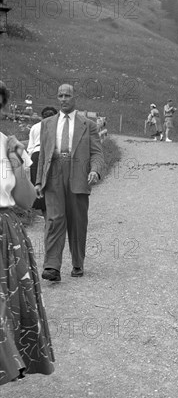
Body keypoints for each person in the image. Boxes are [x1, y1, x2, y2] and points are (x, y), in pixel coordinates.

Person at [0, 81, 55, 398]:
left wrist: (16, 161)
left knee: (6, 314)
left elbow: (24, 200)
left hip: (6, 235)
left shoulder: (5, 144)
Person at [36, 84, 104, 282]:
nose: (64, 99)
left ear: (75, 98)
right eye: (60, 95)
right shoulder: (47, 124)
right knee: (54, 220)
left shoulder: (88, 125)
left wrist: (95, 170)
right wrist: (39, 181)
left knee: (77, 222)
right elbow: (42, 156)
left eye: (67, 95)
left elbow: (97, 153)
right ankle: (52, 266)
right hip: (53, 173)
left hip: (78, 175)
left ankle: (77, 262)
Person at [27, 106, 58, 215]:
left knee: (38, 184)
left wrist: (31, 160)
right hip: (51, 154)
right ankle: (53, 214)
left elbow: (30, 147)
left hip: (36, 154)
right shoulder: (57, 126)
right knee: (52, 183)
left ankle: (46, 216)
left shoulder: (35, 127)